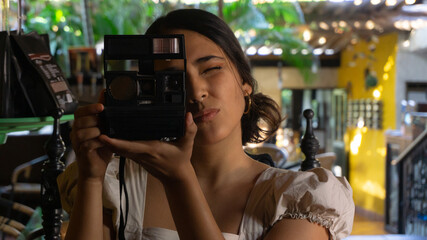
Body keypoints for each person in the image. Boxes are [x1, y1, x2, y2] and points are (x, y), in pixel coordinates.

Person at [58, 8, 354, 240]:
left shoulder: (301, 199)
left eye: (211, 69)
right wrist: (91, 178)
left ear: (244, 82)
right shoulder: (119, 182)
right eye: (173, 81)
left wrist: (180, 180)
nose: (196, 91)